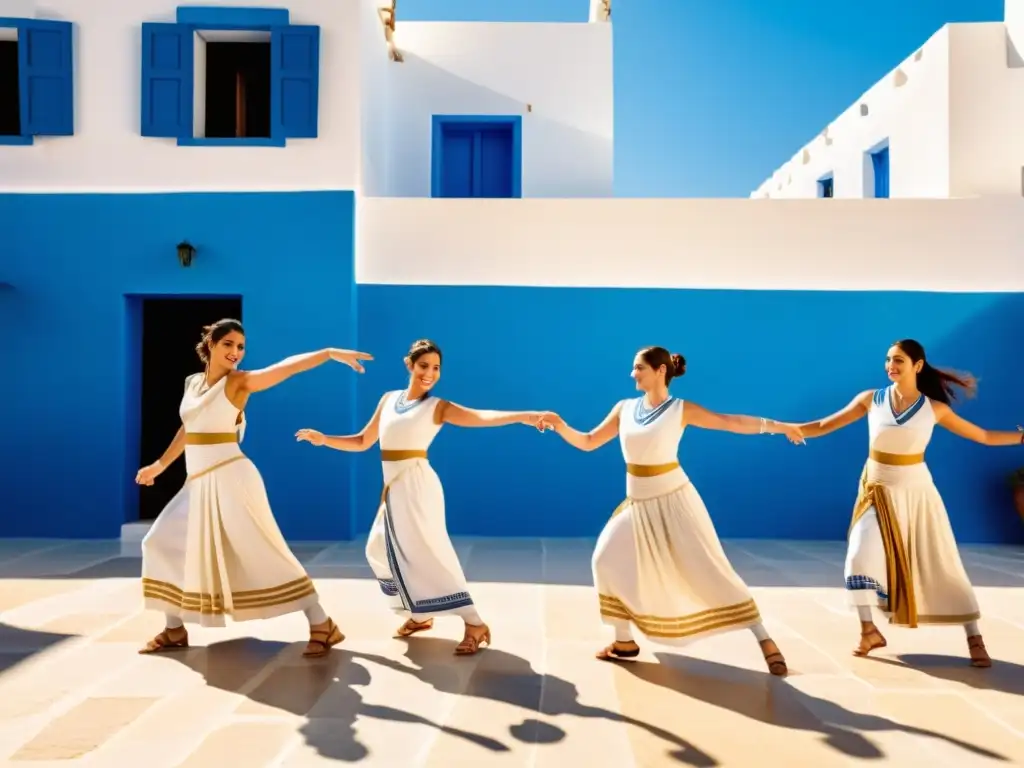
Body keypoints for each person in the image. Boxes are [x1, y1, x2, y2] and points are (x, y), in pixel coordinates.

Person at [538, 346, 803, 675]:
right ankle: (624, 641)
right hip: (636, 503)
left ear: (660, 370)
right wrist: (560, 424)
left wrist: (780, 426)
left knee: (708, 568)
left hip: (674, 499)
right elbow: (590, 441)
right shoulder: (624, 408)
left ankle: (764, 638)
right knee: (604, 559)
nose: (632, 374)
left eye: (638, 368)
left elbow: (731, 422)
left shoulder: (681, 409)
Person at [134, 318, 373, 658]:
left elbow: (283, 369)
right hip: (198, 482)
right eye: (228, 344)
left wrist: (328, 353)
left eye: (241, 346)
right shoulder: (192, 384)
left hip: (232, 478)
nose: (235, 352)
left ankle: (322, 622)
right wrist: (160, 465)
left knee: (262, 550)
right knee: (160, 542)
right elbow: (189, 428)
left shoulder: (239, 383)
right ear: (211, 345)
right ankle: (174, 629)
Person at [295, 338, 546, 656]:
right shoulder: (388, 400)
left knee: (430, 552)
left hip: (417, 486)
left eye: (436, 368)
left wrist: (524, 415)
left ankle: (474, 623)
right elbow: (361, 441)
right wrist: (324, 439)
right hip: (393, 488)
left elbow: (481, 416)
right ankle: (420, 613)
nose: (430, 373)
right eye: (424, 365)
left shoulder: (436, 407)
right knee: (378, 550)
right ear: (409, 364)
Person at [794, 338, 1022, 668]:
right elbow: (823, 425)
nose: (891, 366)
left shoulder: (935, 408)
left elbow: (984, 437)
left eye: (899, 360)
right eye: (888, 359)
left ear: (917, 365)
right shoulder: (870, 400)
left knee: (941, 563)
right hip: (875, 490)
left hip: (917, 493)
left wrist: (1022, 437)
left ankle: (974, 636)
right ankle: (868, 630)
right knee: (858, 555)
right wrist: (783, 427)